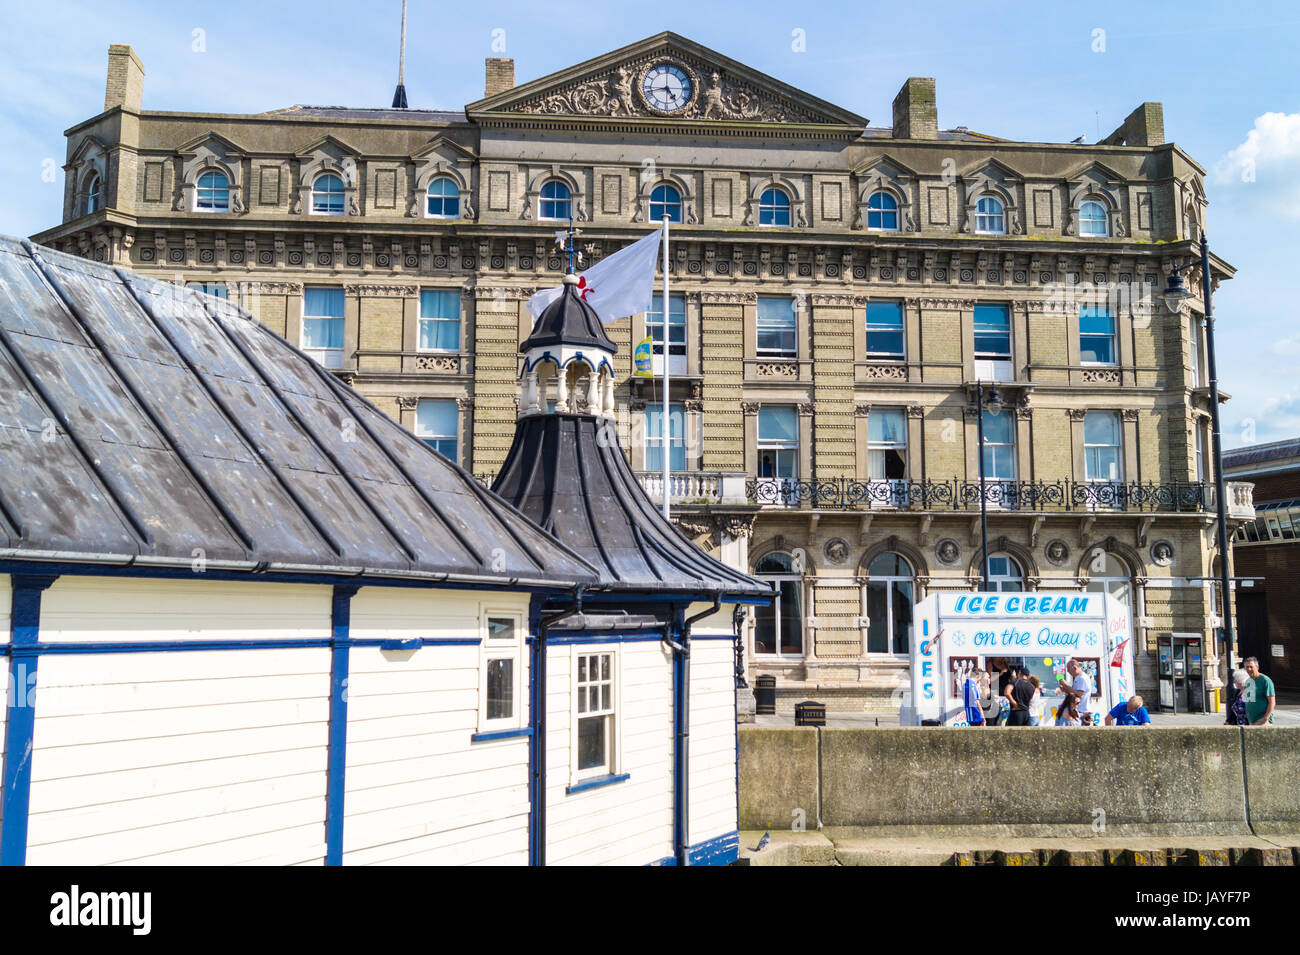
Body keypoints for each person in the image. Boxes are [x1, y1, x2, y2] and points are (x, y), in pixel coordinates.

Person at [1059, 659, 1094, 725]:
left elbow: (1079, 694)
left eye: (1069, 669)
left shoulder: (1082, 678)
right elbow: (1074, 694)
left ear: (1074, 667)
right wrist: (1065, 689)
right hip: (1079, 710)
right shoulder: (1078, 678)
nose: (1068, 672)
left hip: (1083, 711)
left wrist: (1066, 685)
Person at [1242, 657, 1276, 725]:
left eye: (1251, 667)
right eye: (1247, 667)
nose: (1249, 669)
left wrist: (1266, 718)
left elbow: (1272, 702)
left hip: (1262, 720)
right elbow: (1248, 701)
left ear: (1257, 667)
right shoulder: (1247, 681)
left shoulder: (1265, 680)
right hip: (1251, 720)